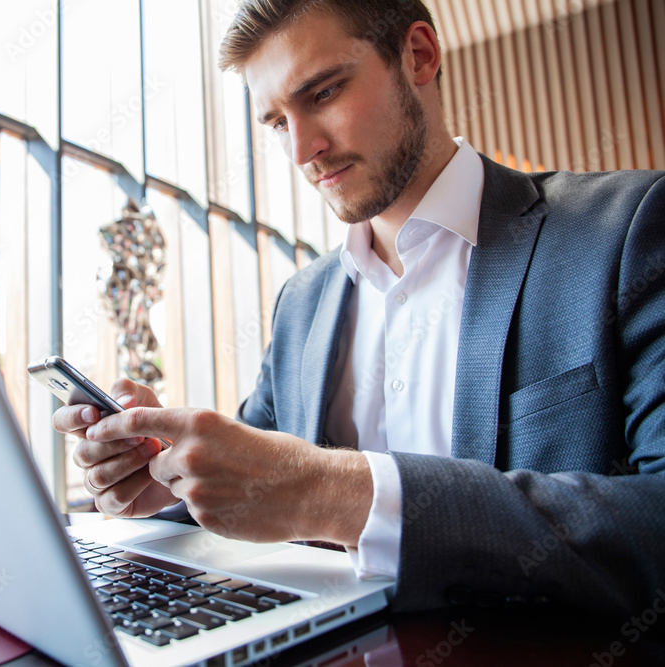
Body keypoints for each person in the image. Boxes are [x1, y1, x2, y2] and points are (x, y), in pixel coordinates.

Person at [53, 0, 665, 616]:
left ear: (419, 56)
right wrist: (163, 478)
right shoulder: (302, 304)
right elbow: (254, 481)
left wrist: (328, 492)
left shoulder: (625, 230)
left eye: (322, 93)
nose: (302, 150)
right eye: (275, 123)